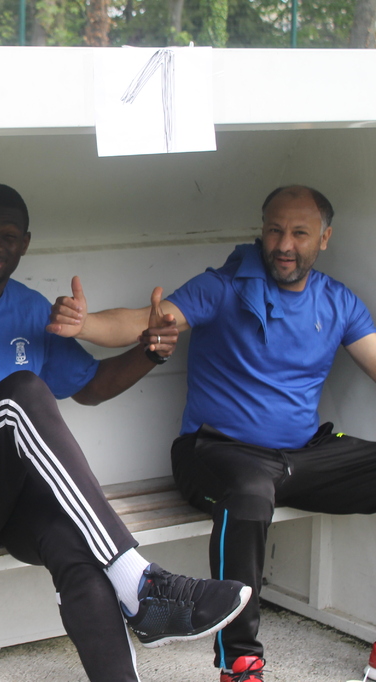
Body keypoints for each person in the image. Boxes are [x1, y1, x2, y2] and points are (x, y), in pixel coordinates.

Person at [0, 183, 251, 682]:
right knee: (21, 393)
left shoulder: (30, 308)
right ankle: (144, 583)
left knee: (77, 544)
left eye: (7, 236)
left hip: (8, 502)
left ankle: (130, 629)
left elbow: (91, 387)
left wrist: (150, 352)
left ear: (24, 243)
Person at [46, 185, 376, 682]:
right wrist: (84, 324)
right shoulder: (223, 288)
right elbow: (141, 321)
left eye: (299, 233)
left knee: (264, 485)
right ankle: (239, 660)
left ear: (324, 238)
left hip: (301, 455)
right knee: (249, 493)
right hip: (217, 453)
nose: (284, 245)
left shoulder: (338, 302)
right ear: (261, 231)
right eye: (275, 231)